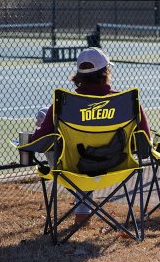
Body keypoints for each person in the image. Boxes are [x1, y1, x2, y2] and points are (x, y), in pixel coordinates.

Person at [31, 47, 151, 224]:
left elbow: (38, 142)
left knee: (68, 146)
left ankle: (82, 215)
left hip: (71, 170)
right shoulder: (128, 102)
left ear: (79, 75)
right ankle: (83, 215)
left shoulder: (63, 105)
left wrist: (34, 135)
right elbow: (145, 144)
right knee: (90, 151)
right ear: (106, 72)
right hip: (117, 167)